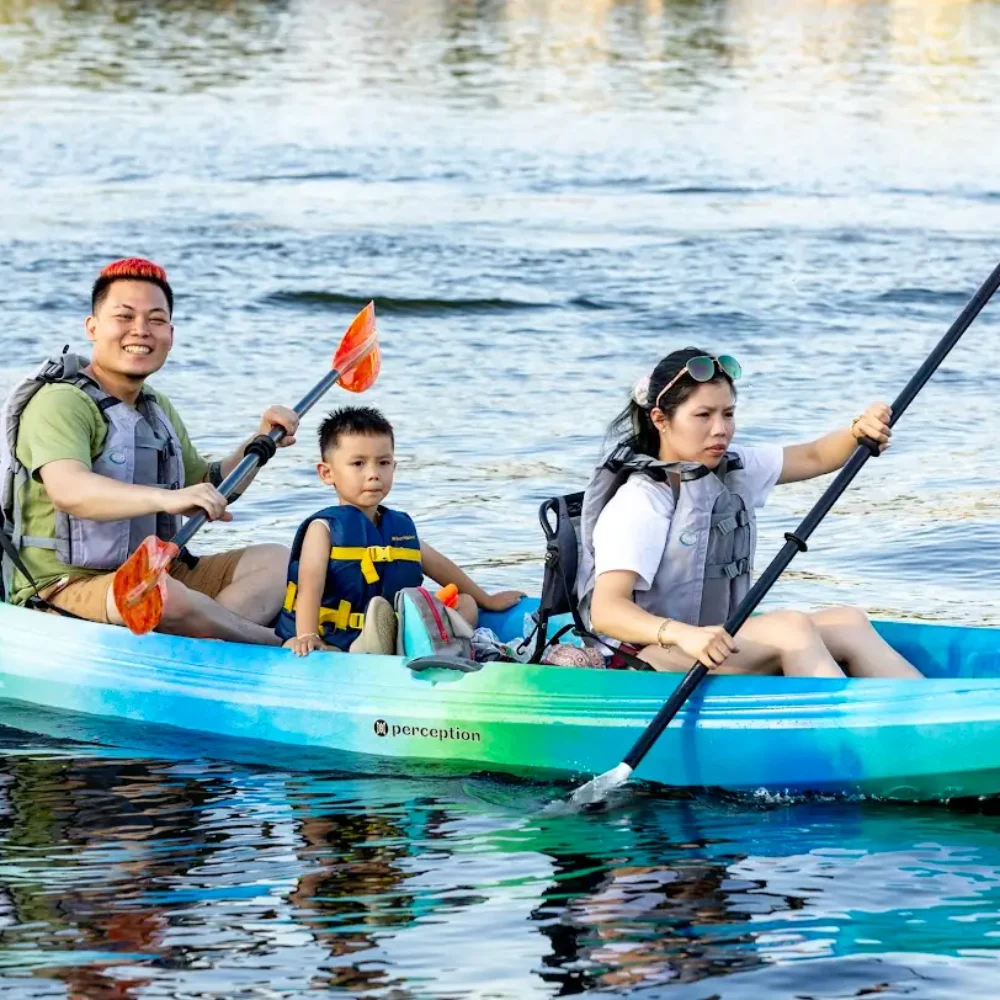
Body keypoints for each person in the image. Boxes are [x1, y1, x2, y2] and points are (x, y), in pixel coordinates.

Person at [0, 257, 298, 645]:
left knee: (278, 562)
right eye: (124, 317)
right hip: (61, 587)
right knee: (160, 595)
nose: (141, 330)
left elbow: (207, 484)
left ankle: (201, 636)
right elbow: (68, 490)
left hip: (156, 572)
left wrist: (260, 442)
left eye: (156, 320)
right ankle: (273, 645)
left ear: (170, 334)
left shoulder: (155, 406)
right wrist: (167, 499)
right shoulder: (61, 401)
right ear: (93, 328)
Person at [578, 347, 922, 678]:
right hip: (643, 654)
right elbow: (607, 611)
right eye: (703, 415)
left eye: (728, 413)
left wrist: (857, 431)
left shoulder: (730, 466)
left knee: (848, 622)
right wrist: (682, 634)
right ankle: (847, 733)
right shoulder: (642, 500)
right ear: (660, 420)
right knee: (791, 629)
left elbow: (815, 456)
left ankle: (922, 716)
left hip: (709, 640)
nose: (720, 429)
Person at [277, 406, 523, 656]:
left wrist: (486, 600)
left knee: (466, 603)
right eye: (358, 464)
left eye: (383, 463)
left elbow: (443, 568)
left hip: (396, 628)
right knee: (304, 647)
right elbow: (310, 585)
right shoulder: (323, 529)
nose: (373, 474)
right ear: (327, 473)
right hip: (335, 637)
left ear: (393, 467)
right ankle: (388, 646)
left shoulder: (398, 528)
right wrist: (308, 635)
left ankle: (418, 641)